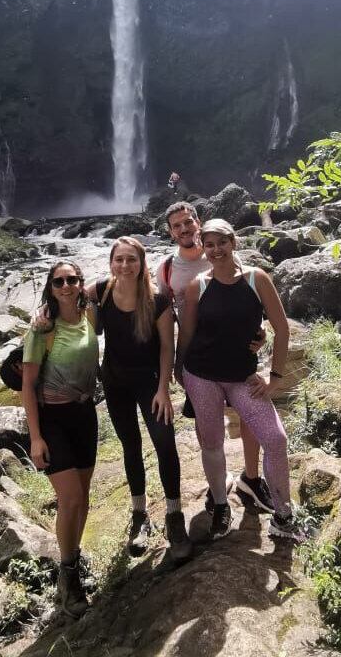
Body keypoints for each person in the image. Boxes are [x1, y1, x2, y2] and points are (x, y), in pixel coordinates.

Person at [176, 219, 306, 542]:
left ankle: (282, 515)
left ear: (233, 242)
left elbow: (282, 329)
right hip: (202, 375)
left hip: (241, 376)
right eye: (210, 244)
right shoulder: (198, 286)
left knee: (275, 439)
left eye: (222, 242)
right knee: (212, 443)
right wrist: (179, 372)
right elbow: (188, 333)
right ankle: (220, 505)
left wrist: (275, 377)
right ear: (203, 248)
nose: (216, 249)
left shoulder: (256, 279)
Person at [156, 202, 275, 515]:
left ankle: (252, 477)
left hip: (238, 352)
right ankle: (217, 487)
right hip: (199, 357)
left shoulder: (223, 250)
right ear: (170, 232)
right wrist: (173, 366)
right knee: (208, 428)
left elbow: (251, 299)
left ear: (199, 222)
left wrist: (261, 330)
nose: (184, 229)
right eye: (176, 226)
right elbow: (164, 315)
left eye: (188, 222)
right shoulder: (167, 268)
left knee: (249, 416)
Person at [92, 237, 192, 562]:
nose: (125, 265)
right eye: (119, 260)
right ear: (111, 262)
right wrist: (41, 315)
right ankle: (139, 514)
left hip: (150, 383)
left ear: (141, 262)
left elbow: (167, 347)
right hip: (115, 382)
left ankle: (174, 515)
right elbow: (63, 296)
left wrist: (164, 388)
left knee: (164, 442)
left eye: (131, 260)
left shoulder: (158, 300)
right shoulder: (101, 291)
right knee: (130, 446)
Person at [21, 260, 99, 619]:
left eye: (73, 280)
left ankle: (74, 559)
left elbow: (128, 275)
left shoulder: (90, 317)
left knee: (83, 500)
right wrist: (35, 438)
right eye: (59, 281)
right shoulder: (41, 330)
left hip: (84, 415)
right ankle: (68, 577)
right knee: (69, 499)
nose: (67, 286)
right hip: (52, 419)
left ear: (82, 284)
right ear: (51, 288)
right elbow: (27, 386)